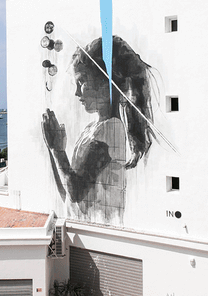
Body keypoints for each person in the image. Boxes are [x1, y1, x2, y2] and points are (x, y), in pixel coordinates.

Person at [42, 35, 155, 226]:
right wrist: (52, 148)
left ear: (106, 84)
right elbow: (68, 197)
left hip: (98, 230)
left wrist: (57, 150)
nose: (77, 92)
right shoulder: (91, 130)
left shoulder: (111, 129)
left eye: (82, 82)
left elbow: (76, 192)